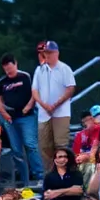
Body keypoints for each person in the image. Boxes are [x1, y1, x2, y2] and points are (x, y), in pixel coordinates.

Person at [31, 41, 75, 178]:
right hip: (44, 114)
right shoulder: (40, 69)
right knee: (44, 146)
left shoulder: (65, 69)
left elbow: (70, 88)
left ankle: (65, 174)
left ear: (57, 53)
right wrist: (44, 105)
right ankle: (50, 176)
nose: (47, 55)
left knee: (61, 144)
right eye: (46, 53)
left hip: (61, 113)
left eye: (50, 52)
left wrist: (55, 104)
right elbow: (34, 90)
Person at [0, 53, 39, 186]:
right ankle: (24, 180)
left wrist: (29, 106)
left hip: (27, 116)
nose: (9, 71)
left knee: (30, 144)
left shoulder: (25, 77)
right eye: (6, 69)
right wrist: (3, 113)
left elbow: (34, 93)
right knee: (16, 150)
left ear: (15, 64)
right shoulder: (2, 82)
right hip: (10, 118)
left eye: (10, 67)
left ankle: (39, 174)